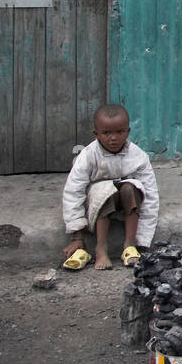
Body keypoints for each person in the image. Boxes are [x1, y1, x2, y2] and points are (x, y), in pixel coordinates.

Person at [61, 104, 160, 270]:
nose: (113, 138)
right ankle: (101, 248)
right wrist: (77, 236)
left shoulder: (138, 156)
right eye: (106, 133)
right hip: (99, 205)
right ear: (96, 134)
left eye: (119, 132)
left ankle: (130, 244)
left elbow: (150, 195)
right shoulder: (88, 156)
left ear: (128, 132)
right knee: (106, 191)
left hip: (127, 203)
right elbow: (73, 193)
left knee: (132, 187)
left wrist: (143, 239)